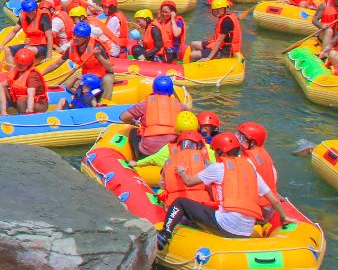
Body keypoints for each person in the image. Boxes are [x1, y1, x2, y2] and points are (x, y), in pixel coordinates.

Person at [157, 132, 290, 252]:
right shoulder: (251, 169)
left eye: (215, 152)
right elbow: (274, 200)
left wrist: (181, 172)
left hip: (226, 225)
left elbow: (189, 182)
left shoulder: (218, 168)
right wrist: (284, 217)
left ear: (221, 153)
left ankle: (164, 234)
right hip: (247, 229)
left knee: (180, 202)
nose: (214, 154)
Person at [120, 76, 191, 159]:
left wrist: (134, 123)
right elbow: (190, 119)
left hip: (148, 153)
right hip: (172, 152)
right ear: (171, 91)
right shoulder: (180, 106)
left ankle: (135, 159)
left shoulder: (144, 104)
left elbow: (123, 117)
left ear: (153, 89)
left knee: (133, 131)